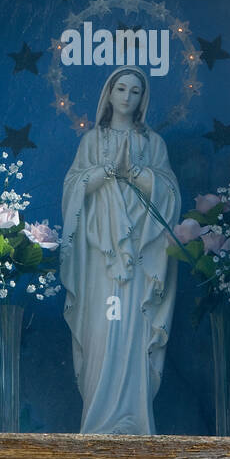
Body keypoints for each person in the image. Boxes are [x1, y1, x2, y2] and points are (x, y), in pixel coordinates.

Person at [60, 66, 180, 434]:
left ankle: (134, 420)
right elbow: (73, 189)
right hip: (101, 256)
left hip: (141, 256)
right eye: (121, 89)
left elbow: (170, 195)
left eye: (136, 91)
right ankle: (96, 420)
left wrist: (139, 174)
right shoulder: (92, 141)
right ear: (109, 94)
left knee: (132, 331)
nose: (127, 97)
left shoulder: (154, 143)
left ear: (143, 98)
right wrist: (107, 171)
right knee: (101, 330)